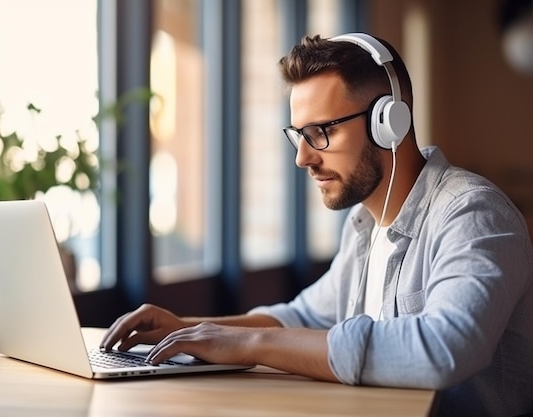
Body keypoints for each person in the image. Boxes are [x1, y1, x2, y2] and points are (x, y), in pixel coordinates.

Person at [100, 33, 533, 417]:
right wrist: (191, 329)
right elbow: (304, 317)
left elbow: (444, 348)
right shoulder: (364, 225)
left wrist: (249, 346)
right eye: (299, 134)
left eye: (322, 131)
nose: (303, 158)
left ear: (389, 123)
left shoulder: (473, 215)